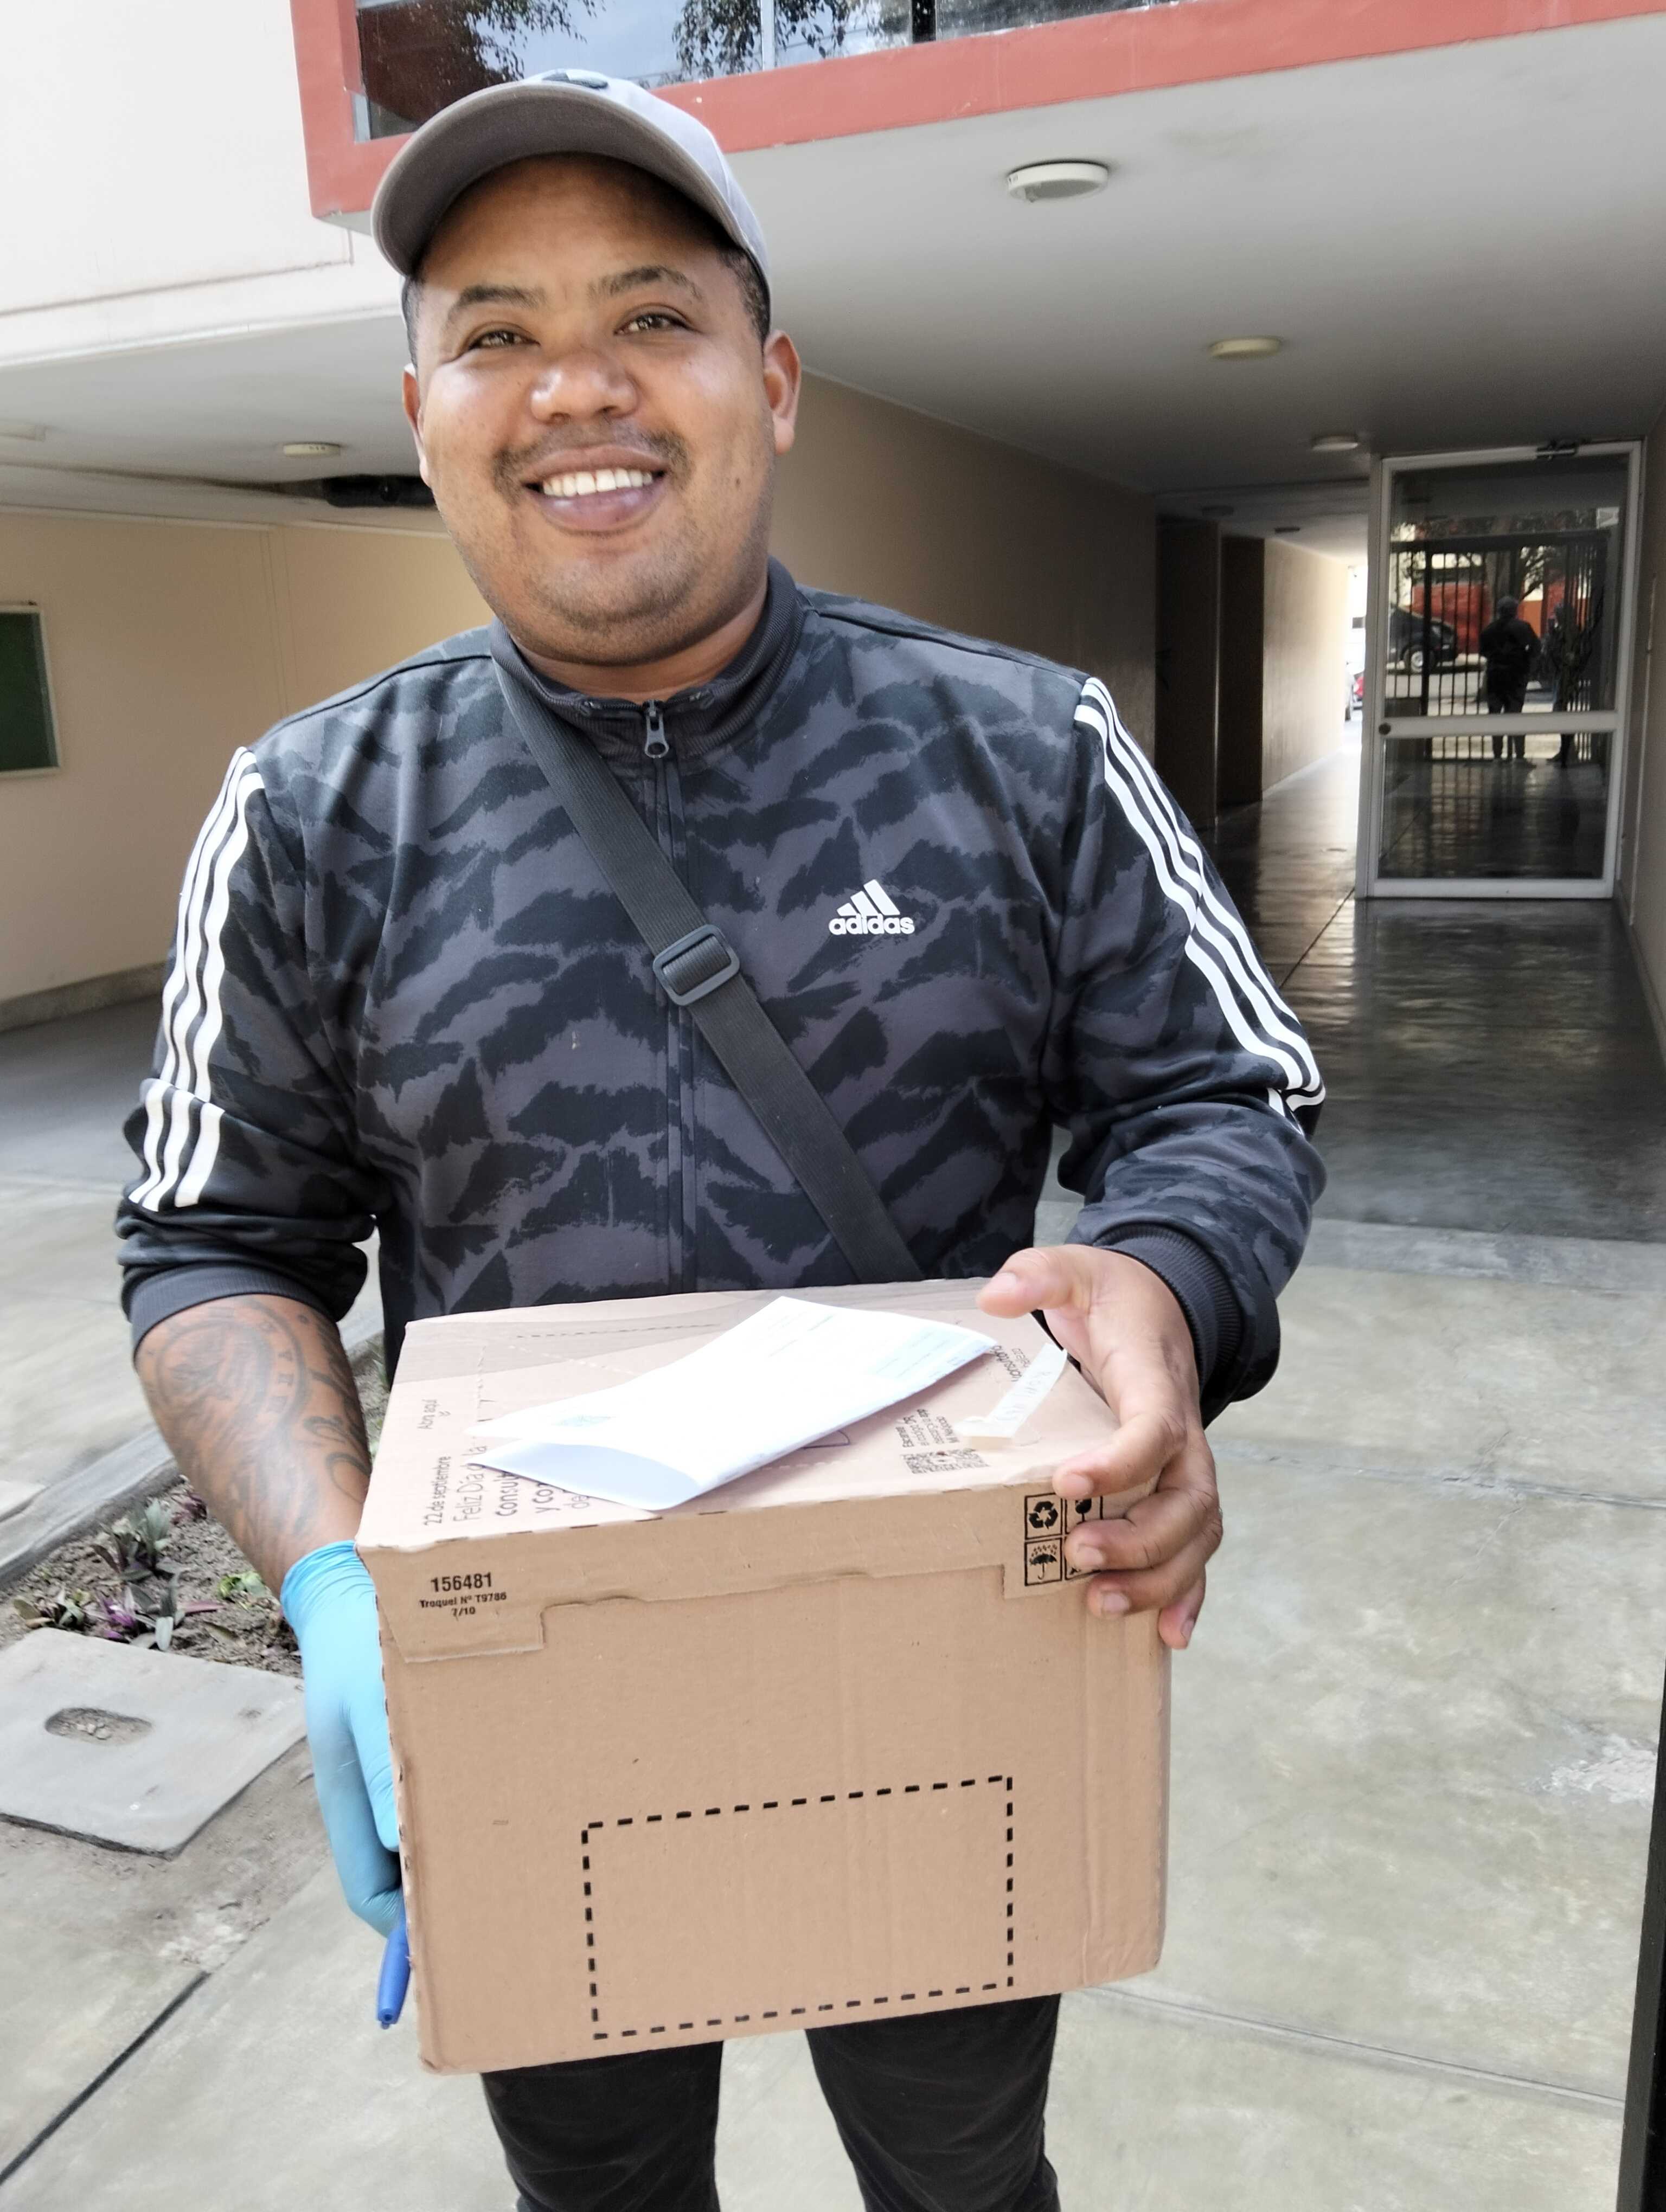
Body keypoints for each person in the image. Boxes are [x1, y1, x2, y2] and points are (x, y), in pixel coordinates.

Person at [117, 73, 1323, 2212]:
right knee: (599, 2190)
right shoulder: (309, 814)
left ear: (770, 384)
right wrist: (334, 1584)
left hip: (936, 1653)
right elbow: (212, 1237)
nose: (575, 387)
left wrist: (1162, 1285)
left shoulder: (1024, 748)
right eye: (495, 335)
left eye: (650, 317)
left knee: (962, 2178)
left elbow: (1223, 1090)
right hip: (533, 1685)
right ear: (422, 416)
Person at [1479, 593, 1537, 760]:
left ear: (1499, 611)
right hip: (1516, 677)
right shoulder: (1524, 627)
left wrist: (1497, 657)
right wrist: (1526, 660)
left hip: (1496, 676)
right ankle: (1519, 753)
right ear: (1515, 610)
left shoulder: (1490, 630)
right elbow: (1536, 647)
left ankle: (1497, 753)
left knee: (1495, 716)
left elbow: (1483, 651)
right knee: (1515, 715)